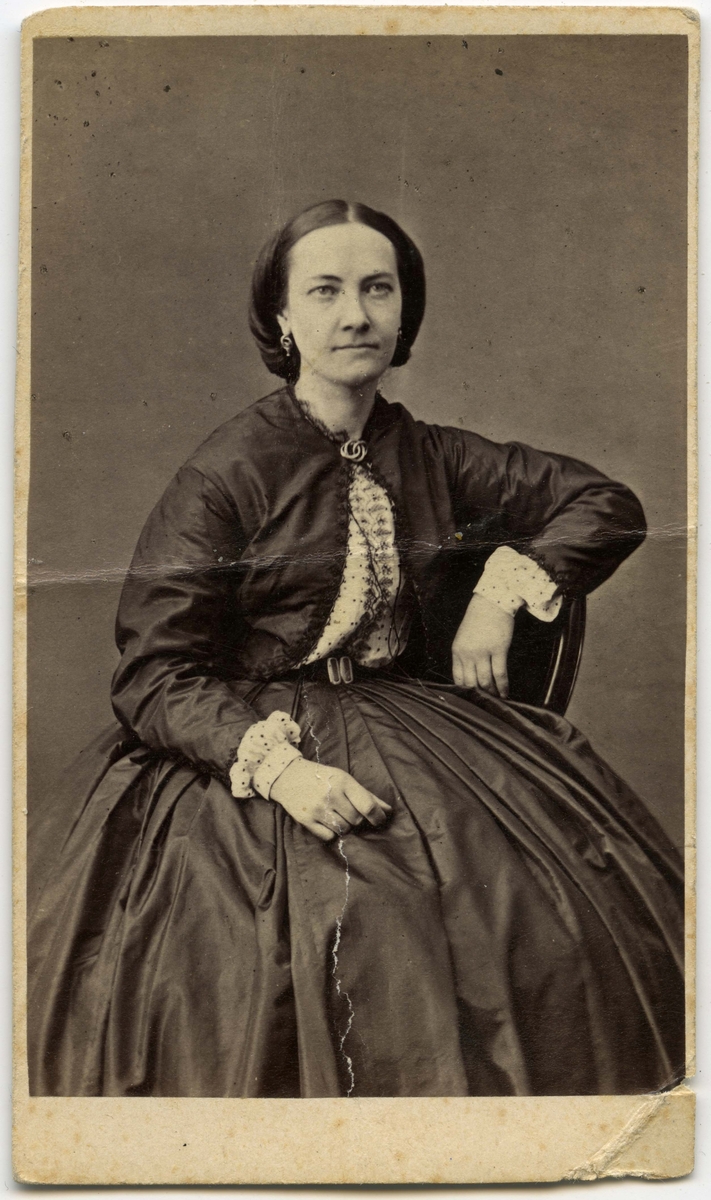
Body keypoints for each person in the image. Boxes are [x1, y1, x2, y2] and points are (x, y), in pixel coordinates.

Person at [28, 199, 684, 1099]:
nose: (356, 315)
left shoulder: (430, 453)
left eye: (378, 289)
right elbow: (154, 672)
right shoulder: (227, 472)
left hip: (413, 727)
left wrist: (499, 592)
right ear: (281, 318)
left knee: (546, 918)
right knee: (317, 946)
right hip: (245, 753)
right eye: (325, 291)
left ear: (405, 312)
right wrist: (283, 773)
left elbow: (604, 504)